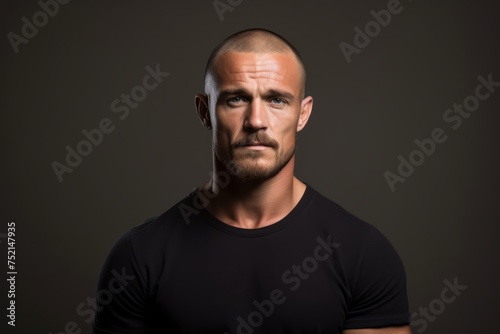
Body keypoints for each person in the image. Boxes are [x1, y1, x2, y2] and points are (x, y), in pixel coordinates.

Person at [92, 28, 411, 334]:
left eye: (277, 100)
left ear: (302, 113)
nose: (256, 121)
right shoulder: (138, 256)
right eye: (236, 99)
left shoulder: (363, 253)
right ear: (205, 111)